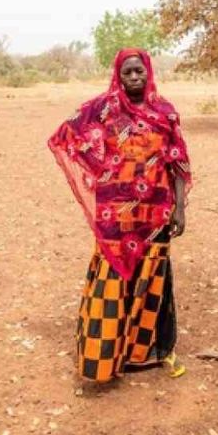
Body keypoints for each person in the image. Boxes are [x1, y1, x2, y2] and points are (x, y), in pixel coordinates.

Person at [48, 48, 191, 382]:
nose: (135, 78)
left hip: (155, 213)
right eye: (127, 73)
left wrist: (180, 208)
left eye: (139, 71)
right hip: (115, 214)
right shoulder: (104, 109)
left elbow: (178, 162)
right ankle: (104, 358)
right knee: (113, 279)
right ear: (118, 75)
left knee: (150, 279)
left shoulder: (165, 112)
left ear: (148, 71)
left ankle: (143, 353)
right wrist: (101, 169)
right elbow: (67, 135)